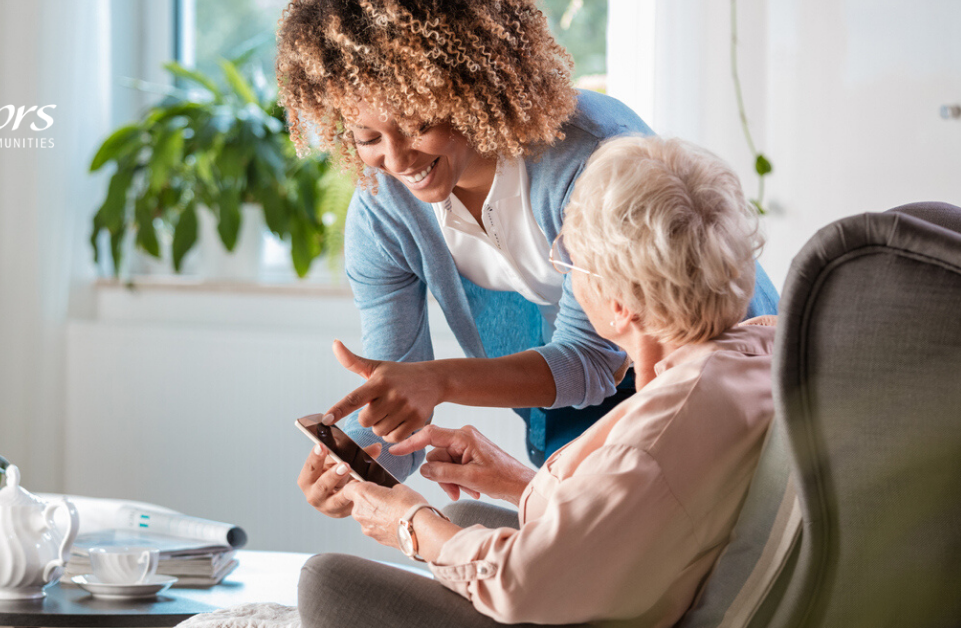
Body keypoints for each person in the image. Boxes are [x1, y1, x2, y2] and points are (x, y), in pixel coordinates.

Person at [275, 0, 779, 516]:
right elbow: (401, 390)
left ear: (469, 87)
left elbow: (593, 360)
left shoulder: (592, 158)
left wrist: (440, 381)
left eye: (417, 124)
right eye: (367, 137)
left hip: (714, 373)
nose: (398, 159)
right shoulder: (383, 213)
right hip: (584, 391)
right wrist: (358, 464)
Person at [297, 135, 779, 628]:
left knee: (327, 583)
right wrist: (513, 480)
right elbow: (650, 508)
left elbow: (522, 582)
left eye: (569, 261)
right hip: (658, 576)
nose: (563, 274)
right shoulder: (757, 355)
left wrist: (409, 522)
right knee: (463, 521)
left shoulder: (655, 437)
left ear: (618, 306)